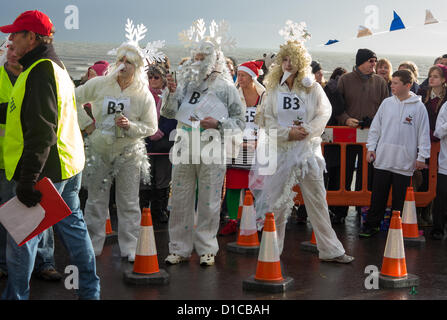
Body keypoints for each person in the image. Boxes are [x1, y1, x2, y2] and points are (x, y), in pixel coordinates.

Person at [0, 10, 100, 299]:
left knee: (23, 237)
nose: (11, 40)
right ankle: (91, 292)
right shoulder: (56, 66)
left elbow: (42, 130)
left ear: (31, 37)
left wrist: (28, 178)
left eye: (16, 35)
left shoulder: (39, 70)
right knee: (74, 229)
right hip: (68, 164)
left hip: (46, 169)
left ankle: (15, 296)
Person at [251, 39, 354, 263]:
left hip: (307, 151)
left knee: (317, 200)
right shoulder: (272, 89)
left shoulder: (312, 87)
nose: (288, 64)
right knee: (277, 203)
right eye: (285, 59)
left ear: (301, 63)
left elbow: (324, 112)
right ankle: (271, 251)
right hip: (281, 151)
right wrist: (287, 133)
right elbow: (266, 120)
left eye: (293, 60)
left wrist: (307, 130)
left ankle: (331, 250)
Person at [75, 20, 159, 262]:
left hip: (130, 153)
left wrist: (130, 126)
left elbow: (151, 126)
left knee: (129, 201)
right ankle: (92, 245)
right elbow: (72, 98)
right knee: (96, 199)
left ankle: (130, 248)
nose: (123, 66)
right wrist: (87, 125)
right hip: (100, 149)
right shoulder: (100, 84)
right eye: (121, 61)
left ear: (137, 66)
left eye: (129, 62)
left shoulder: (143, 94)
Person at [161, 34, 245, 266]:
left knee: (209, 199)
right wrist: (169, 93)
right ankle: (178, 247)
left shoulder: (227, 88)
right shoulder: (186, 84)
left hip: (213, 148)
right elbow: (168, 113)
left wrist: (217, 124)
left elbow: (239, 122)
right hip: (185, 146)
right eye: (195, 57)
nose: (197, 61)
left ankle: (207, 247)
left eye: (202, 57)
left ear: (213, 59)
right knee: (180, 197)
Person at [0, 43, 64, 282]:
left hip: (34, 159)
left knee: (39, 213)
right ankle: (4, 263)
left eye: (17, 49)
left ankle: (45, 262)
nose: (14, 54)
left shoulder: (36, 74)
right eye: (10, 49)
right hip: (4, 159)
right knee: (7, 215)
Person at [360, 70, 430, 237]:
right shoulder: (386, 103)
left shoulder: (419, 107)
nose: (392, 86)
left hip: (404, 163)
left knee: (400, 200)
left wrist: (422, 157)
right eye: (392, 82)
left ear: (407, 85)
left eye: (396, 83)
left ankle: (397, 229)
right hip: (383, 159)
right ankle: (372, 225)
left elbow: (423, 133)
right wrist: (371, 148)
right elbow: (376, 128)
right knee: (378, 197)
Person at [334, 48, 389, 224]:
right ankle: (340, 211)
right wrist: (346, 119)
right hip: (348, 136)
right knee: (346, 172)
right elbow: (337, 107)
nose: (374, 64)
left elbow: (385, 108)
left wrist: (375, 123)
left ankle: (362, 210)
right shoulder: (345, 79)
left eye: (375, 60)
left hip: (372, 137)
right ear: (360, 62)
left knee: (367, 175)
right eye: (371, 61)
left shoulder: (380, 82)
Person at [219, 60, 265, 236]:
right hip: (236, 145)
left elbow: (269, 122)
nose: (240, 78)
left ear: (253, 77)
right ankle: (232, 220)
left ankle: (254, 220)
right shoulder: (234, 96)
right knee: (233, 184)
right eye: (239, 75)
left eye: (243, 75)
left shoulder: (264, 97)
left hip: (258, 146)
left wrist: (260, 141)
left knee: (255, 185)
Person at [143, 64, 177, 225]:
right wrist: (149, 131)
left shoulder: (169, 95)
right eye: (150, 77)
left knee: (162, 178)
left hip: (163, 143)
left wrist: (161, 130)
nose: (153, 80)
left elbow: (174, 115)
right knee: (145, 177)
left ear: (163, 78)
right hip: (146, 141)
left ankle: (160, 210)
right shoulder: (143, 94)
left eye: (156, 77)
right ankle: (144, 209)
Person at [431, 100, 447, 239]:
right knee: (441, 198)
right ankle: (438, 229)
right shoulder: (446, 106)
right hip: (445, 165)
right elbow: (438, 132)